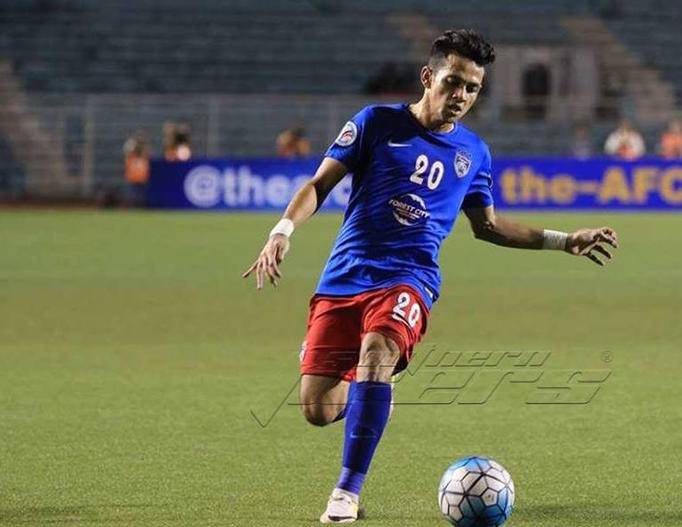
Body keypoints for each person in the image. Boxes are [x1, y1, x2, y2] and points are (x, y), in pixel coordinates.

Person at [243, 29, 619, 524]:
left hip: (410, 279)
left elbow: (488, 226)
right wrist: (282, 231)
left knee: (377, 352)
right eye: (453, 82)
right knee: (317, 409)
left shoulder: (474, 153)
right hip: (346, 277)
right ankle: (375, 394)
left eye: (472, 88)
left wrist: (563, 240)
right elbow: (320, 183)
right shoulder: (376, 122)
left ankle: (346, 492)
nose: (461, 95)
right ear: (428, 77)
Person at [123, 131, 150, 207]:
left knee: (141, 194)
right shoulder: (132, 154)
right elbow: (127, 151)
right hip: (134, 177)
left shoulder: (144, 154)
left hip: (142, 177)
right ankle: (134, 205)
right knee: (134, 193)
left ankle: (141, 205)